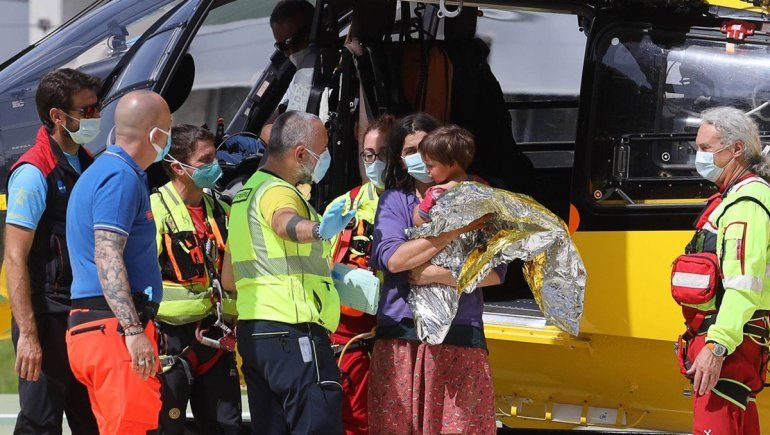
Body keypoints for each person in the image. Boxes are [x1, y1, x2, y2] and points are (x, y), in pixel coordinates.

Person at [369, 113, 506, 434]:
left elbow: (495, 271)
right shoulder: (394, 201)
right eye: (408, 151)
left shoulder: (478, 197)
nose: (419, 158)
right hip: (403, 337)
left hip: (459, 336)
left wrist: (436, 274)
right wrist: (453, 230)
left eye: (424, 148)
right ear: (400, 161)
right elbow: (393, 260)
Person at [223, 110, 354, 434]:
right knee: (316, 424)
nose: (324, 160)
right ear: (300, 153)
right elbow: (285, 224)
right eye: (321, 153)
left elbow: (228, 278)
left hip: (257, 335)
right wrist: (320, 229)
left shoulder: (245, 195)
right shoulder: (277, 192)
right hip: (292, 331)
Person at [65, 90, 171, 434]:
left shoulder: (106, 171)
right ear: (155, 135)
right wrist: (133, 329)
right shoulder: (120, 177)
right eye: (168, 130)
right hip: (113, 328)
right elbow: (107, 253)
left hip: (96, 326)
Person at [4, 68, 100, 434]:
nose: (95, 116)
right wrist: (28, 335)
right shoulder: (33, 172)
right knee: (41, 423)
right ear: (58, 116)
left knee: (93, 420)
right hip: (47, 317)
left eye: (97, 107)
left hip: (84, 314)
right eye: (86, 110)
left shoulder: (89, 162)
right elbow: (14, 258)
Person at [675, 106, 770, 434]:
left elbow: (743, 285)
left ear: (736, 149)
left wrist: (716, 348)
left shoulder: (747, 204)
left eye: (706, 149)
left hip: (728, 349)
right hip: (733, 346)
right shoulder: (735, 199)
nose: (698, 158)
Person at [151, 124, 241, 434]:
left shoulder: (223, 210)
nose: (214, 166)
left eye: (214, 157)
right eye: (205, 160)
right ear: (177, 167)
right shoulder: (156, 209)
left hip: (217, 337)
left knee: (226, 426)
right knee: (167, 427)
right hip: (171, 341)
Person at [325, 114, 395, 434]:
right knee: (354, 422)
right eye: (369, 154)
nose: (375, 162)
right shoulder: (345, 205)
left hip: (400, 335)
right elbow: (321, 270)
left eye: (383, 154)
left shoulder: (417, 207)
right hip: (352, 337)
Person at [412, 125, 487, 225]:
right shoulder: (480, 183)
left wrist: (417, 210)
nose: (427, 171)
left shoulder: (436, 193)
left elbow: (419, 221)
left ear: (451, 163)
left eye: (430, 165)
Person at [271, 0, 317, 113]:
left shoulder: (344, 71)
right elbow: (273, 123)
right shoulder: (299, 77)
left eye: (294, 41)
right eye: (282, 46)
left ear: (314, 30)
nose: (290, 52)